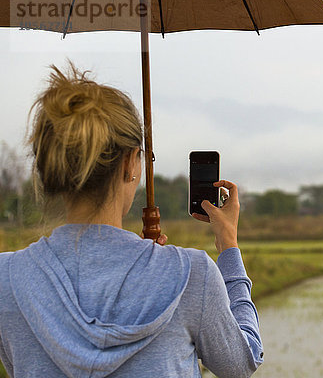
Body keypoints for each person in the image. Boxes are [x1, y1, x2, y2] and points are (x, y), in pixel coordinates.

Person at [0, 63, 263, 377]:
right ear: (129, 164)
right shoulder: (191, 275)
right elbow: (241, 363)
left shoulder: (8, 279)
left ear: (48, 169)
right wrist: (229, 246)